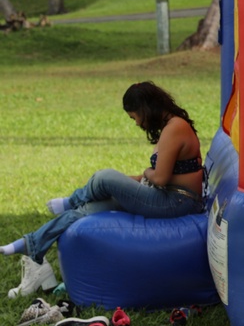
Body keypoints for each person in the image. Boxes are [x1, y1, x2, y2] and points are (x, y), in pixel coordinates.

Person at [2, 82, 205, 297]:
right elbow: (160, 176)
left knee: (105, 177)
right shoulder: (169, 127)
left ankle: (72, 200)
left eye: (134, 116)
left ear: (145, 109)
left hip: (178, 202)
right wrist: (128, 182)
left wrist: (144, 173)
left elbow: (160, 177)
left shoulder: (176, 127)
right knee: (89, 209)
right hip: (165, 197)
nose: (136, 122)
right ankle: (31, 244)